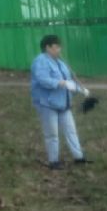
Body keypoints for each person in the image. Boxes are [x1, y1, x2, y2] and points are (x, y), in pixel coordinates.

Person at [29, 35, 90, 169]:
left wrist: (80, 89)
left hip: (64, 103)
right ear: (47, 48)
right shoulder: (40, 61)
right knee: (52, 133)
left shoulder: (60, 63)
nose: (59, 50)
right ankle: (53, 161)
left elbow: (69, 80)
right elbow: (42, 79)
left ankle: (78, 157)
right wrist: (60, 83)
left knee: (71, 131)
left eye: (59, 46)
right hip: (47, 103)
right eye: (56, 47)